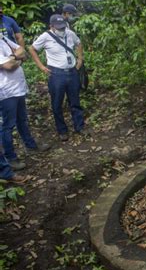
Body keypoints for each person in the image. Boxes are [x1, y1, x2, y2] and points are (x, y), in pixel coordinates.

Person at [29, 14, 86, 142]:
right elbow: (32, 49)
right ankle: (62, 130)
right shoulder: (45, 37)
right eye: (59, 28)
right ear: (51, 26)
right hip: (56, 74)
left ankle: (79, 126)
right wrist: (41, 66)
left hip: (72, 72)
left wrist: (80, 59)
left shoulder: (70, 33)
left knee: (75, 102)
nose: (62, 30)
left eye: (63, 27)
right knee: (57, 104)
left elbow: (79, 43)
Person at [0, 34, 50, 170]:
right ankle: (10, 158)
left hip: (18, 89)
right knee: (8, 125)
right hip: (6, 92)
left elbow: (23, 51)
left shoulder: (3, 37)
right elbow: (9, 66)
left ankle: (31, 146)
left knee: (22, 120)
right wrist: (17, 57)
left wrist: (15, 57)